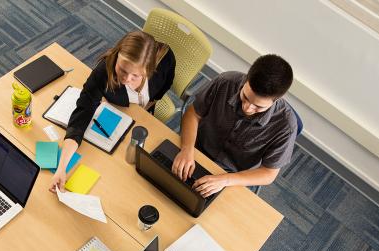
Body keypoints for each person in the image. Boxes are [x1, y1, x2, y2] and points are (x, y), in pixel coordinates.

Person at [50, 30, 176, 192]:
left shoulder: (165, 61)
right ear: (116, 56)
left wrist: (145, 107)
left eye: (135, 76)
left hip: (140, 122)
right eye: (122, 70)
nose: (126, 79)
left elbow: (163, 88)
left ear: (148, 71)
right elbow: (81, 116)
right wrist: (62, 168)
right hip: (118, 116)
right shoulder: (104, 72)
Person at [172, 54, 297, 197]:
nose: (247, 108)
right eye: (245, 97)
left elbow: (268, 173)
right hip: (194, 151)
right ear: (247, 79)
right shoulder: (225, 81)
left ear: (276, 100)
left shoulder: (286, 126)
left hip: (232, 177)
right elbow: (194, 113)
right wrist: (187, 149)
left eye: (258, 107)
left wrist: (225, 180)